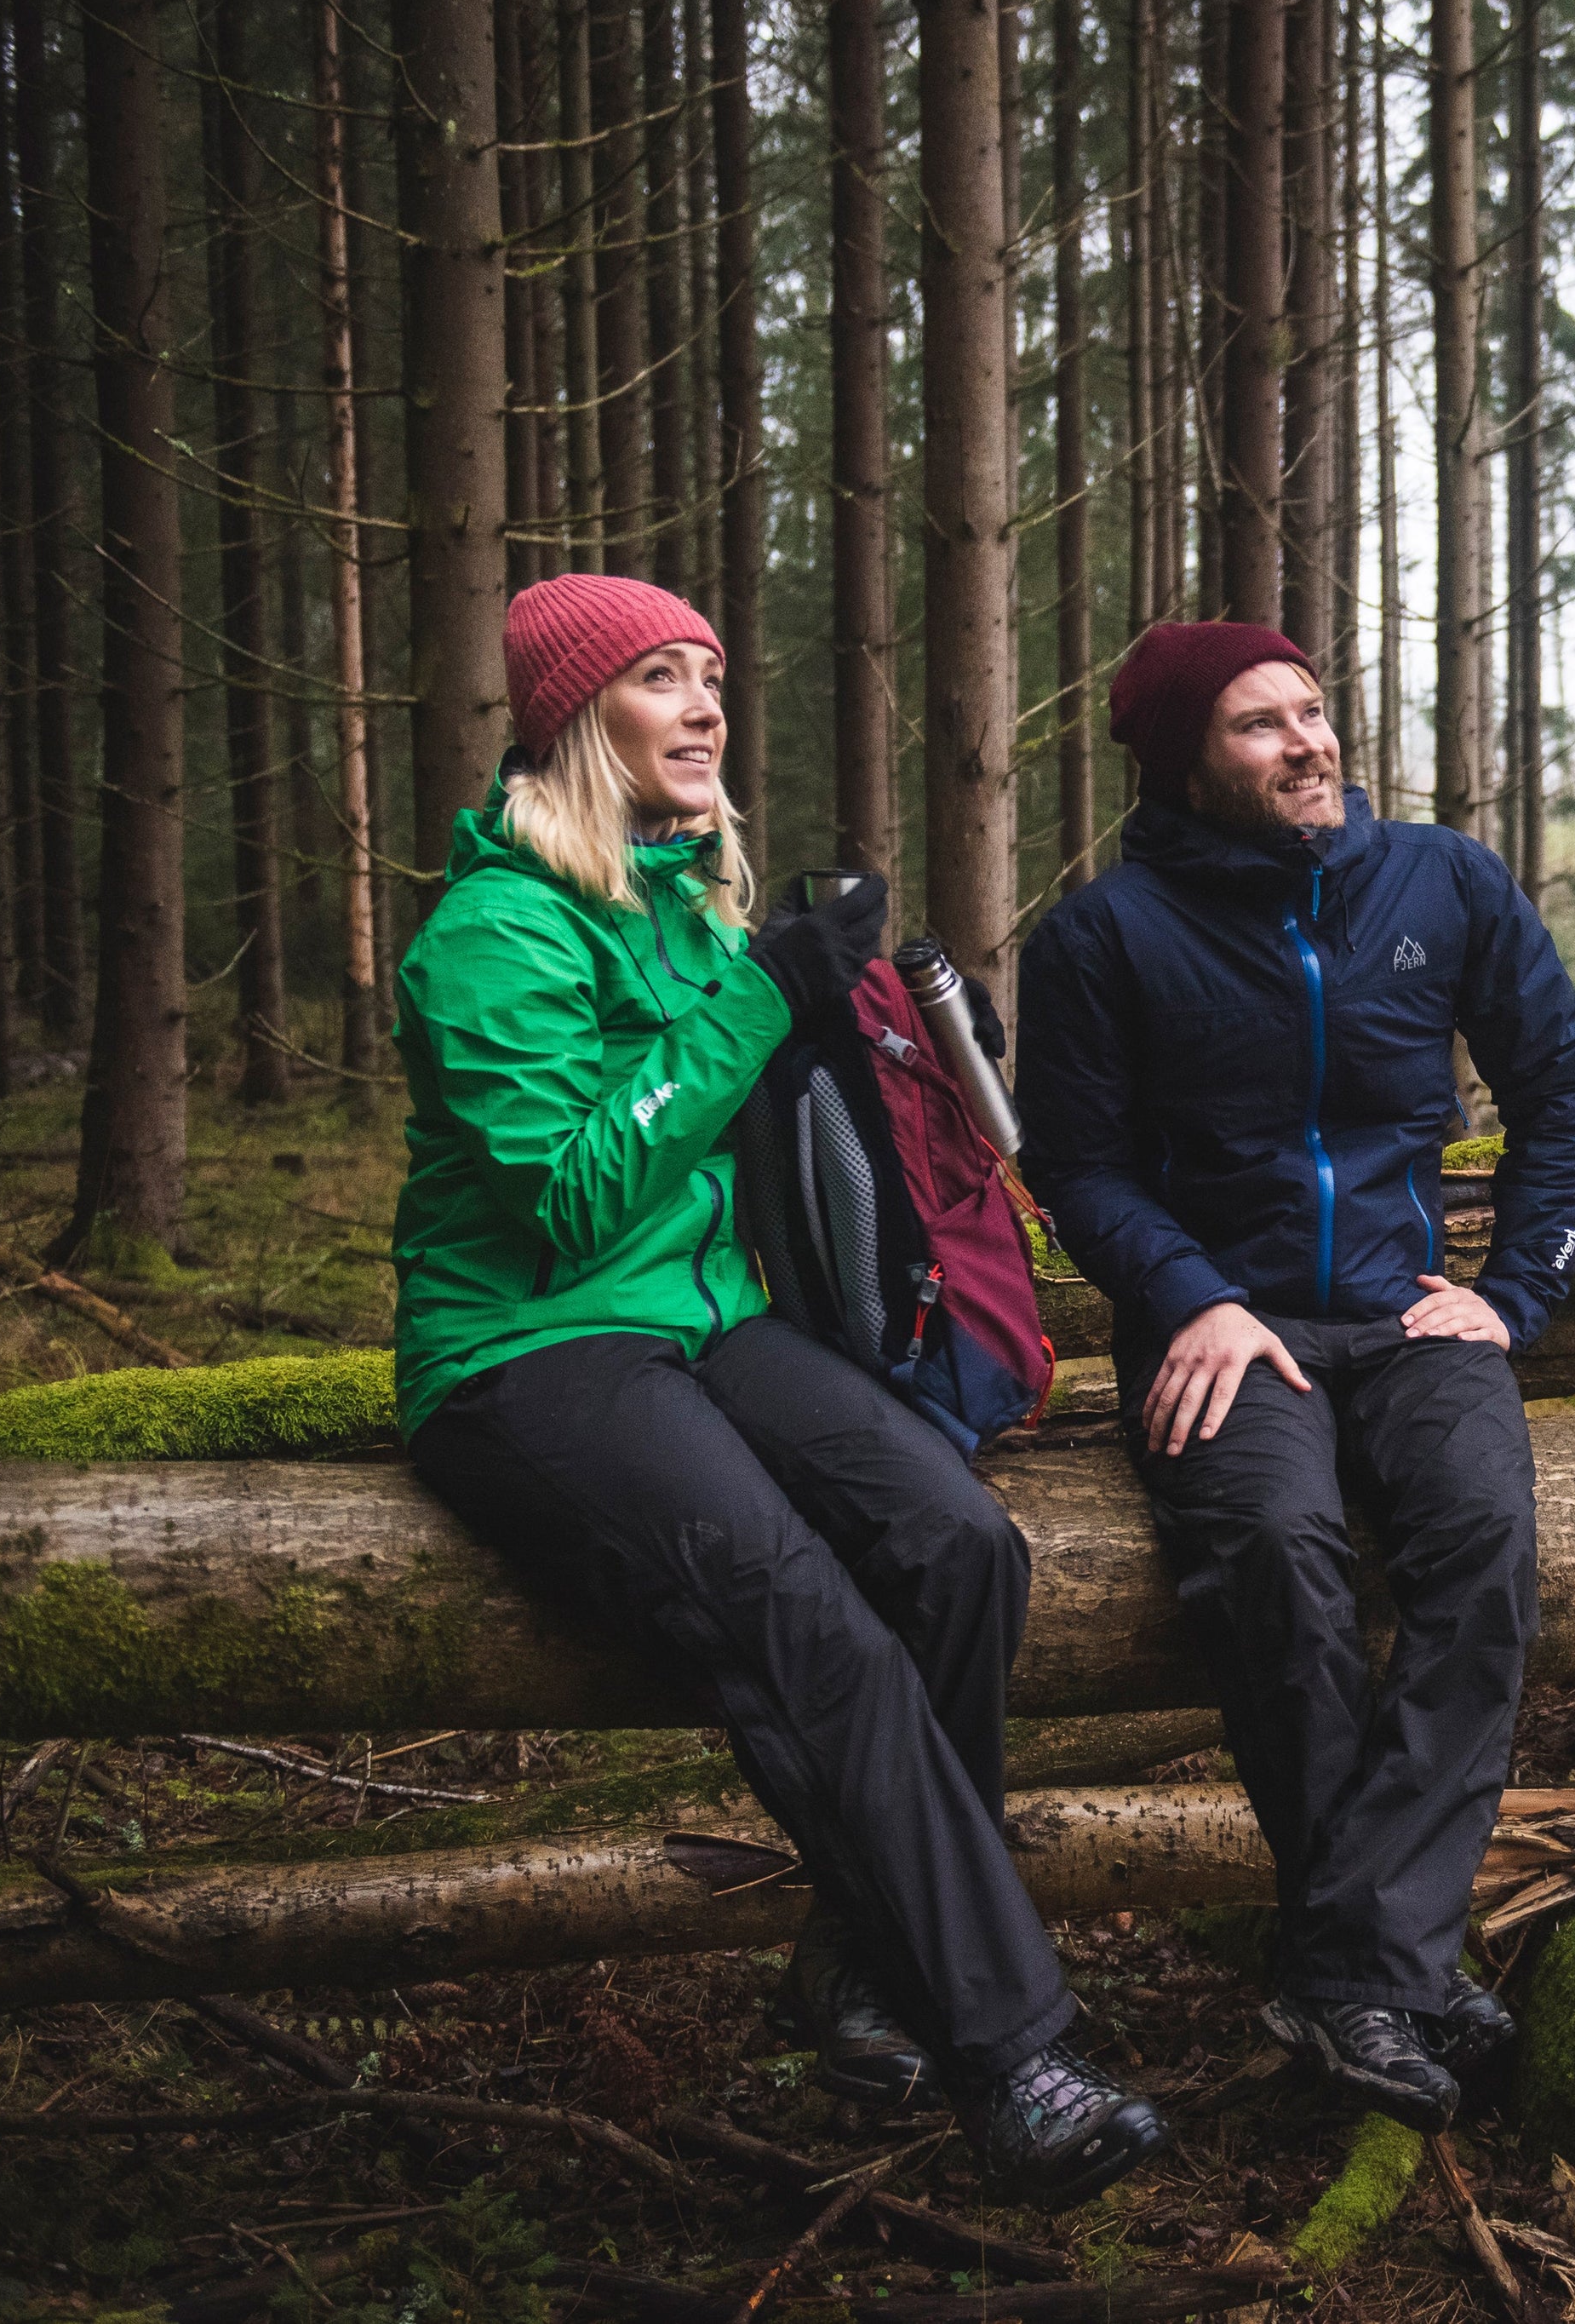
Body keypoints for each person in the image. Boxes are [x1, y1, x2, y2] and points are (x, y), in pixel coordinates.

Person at [391, 572, 1166, 2207]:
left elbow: (763, 1117)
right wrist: (765, 996)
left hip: (707, 1319)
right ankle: (1011, 2053)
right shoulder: (491, 932)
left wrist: (895, 1032)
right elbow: (572, 1195)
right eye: (659, 678)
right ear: (574, 719)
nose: (704, 707)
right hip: (532, 1349)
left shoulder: (687, 907)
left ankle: (862, 1961)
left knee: (961, 1545)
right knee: (813, 1627)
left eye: (711, 676)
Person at [1019, 622, 1575, 2134]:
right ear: (1184, 764)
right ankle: (1396, 1968)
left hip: (1410, 1315)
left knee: (1483, 1540)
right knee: (1277, 1557)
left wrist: (1512, 1294)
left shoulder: (1441, 881)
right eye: (1260, 724)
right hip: (1226, 1328)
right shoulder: (1102, 938)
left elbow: (1559, 1085)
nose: (1309, 741)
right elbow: (1078, 1167)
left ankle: (1354, 1966)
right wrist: (1195, 1296)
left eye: (1314, 708)